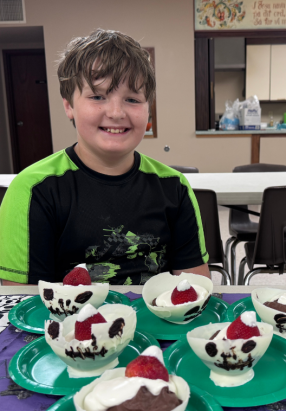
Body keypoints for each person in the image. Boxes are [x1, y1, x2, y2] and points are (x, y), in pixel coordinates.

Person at [0, 29, 210, 286]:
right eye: (97, 96)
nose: (116, 112)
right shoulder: (33, 190)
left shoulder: (174, 187)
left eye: (132, 99)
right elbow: (23, 304)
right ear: (69, 106)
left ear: (148, 110)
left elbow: (196, 288)